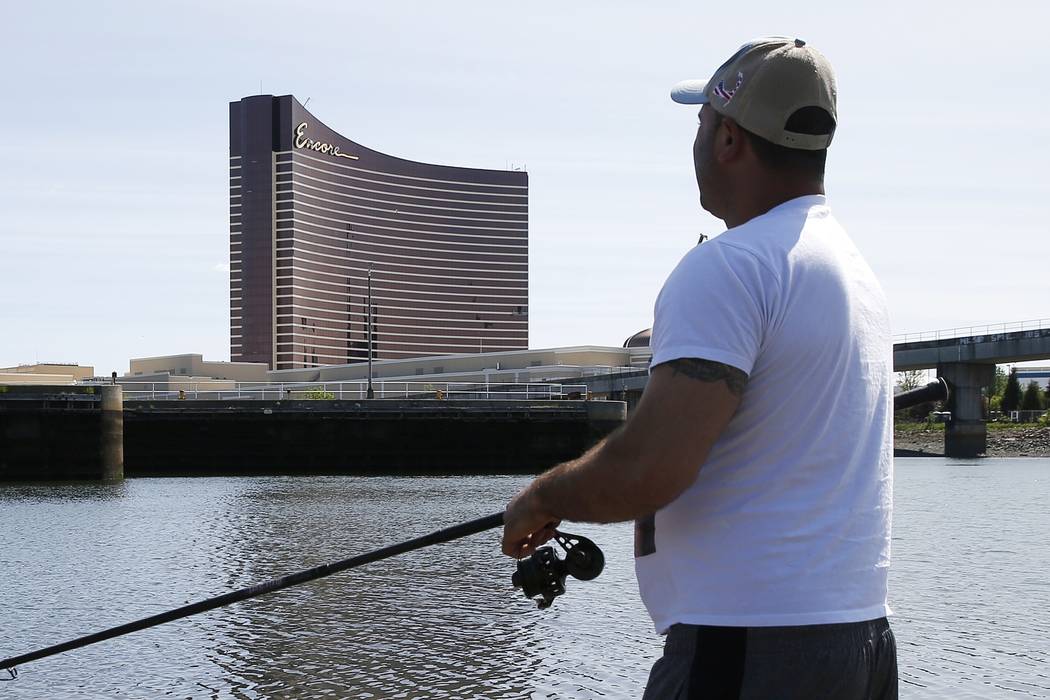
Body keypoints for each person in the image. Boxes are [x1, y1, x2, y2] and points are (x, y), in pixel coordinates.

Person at [501, 37, 897, 698]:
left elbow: (649, 469)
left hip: (747, 649)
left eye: (702, 123)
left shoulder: (729, 268)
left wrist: (541, 497)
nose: (698, 140)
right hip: (859, 644)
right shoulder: (856, 274)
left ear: (730, 140)